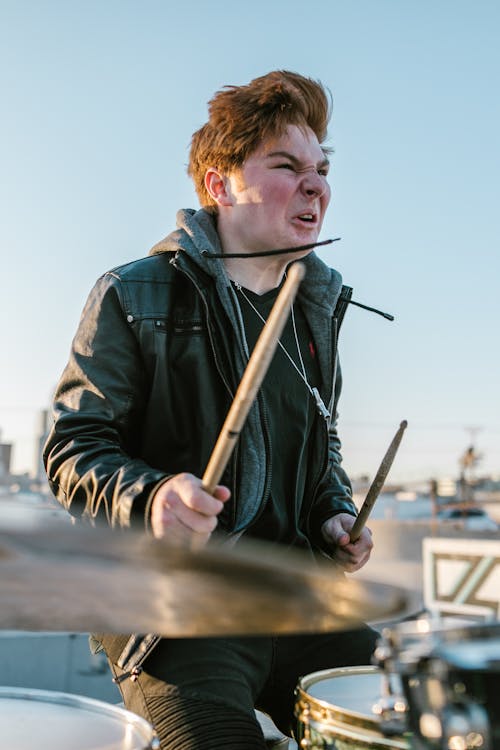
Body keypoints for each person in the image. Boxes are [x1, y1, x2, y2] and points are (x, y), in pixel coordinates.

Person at [44, 70, 379, 749]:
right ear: (219, 185)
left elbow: (320, 448)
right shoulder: (133, 294)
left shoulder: (311, 313)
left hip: (294, 599)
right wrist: (155, 497)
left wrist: (334, 512)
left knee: (411, 720)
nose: (316, 184)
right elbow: (72, 450)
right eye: (286, 166)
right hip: (177, 616)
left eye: (321, 168)